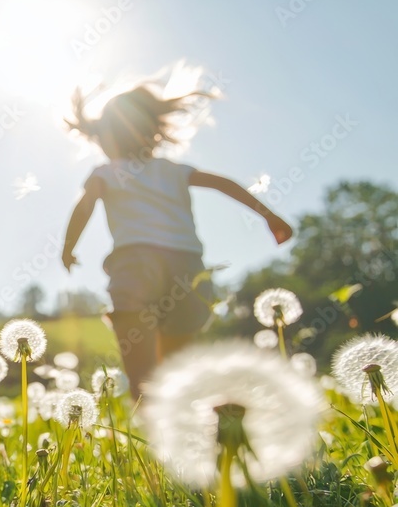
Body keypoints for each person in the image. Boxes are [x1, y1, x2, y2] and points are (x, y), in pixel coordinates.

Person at [60, 71, 292, 398]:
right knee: (175, 368)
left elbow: (83, 208)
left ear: (103, 137)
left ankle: (151, 417)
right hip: (187, 268)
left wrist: (68, 247)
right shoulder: (174, 171)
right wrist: (269, 216)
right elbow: (225, 184)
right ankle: (174, 421)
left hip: (135, 264)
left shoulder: (106, 173)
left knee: (141, 369)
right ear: (153, 131)